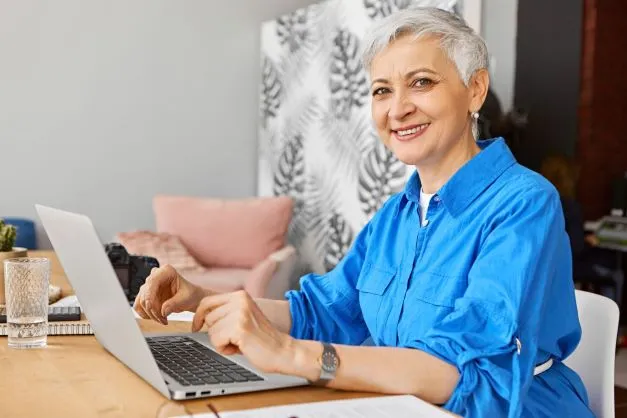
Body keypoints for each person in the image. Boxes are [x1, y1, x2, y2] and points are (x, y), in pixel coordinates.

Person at [134, 7, 593, 417]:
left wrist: (295, 356)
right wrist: (202, 299)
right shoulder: (396, 214)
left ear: (475, 90)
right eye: (381, 90)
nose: (398, 109)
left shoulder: (525, 204)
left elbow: (470, 376)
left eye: (421, 82)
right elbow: (321, 311)